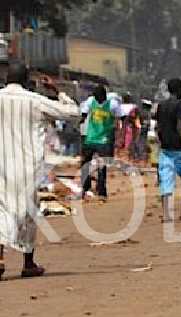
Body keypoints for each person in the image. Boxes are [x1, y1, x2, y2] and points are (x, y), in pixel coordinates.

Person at [0, 62, 79, 280]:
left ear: (6, 79)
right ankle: (28, 263)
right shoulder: (35, 100)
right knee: (28, 211)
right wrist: (58, 91)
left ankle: (1, 256)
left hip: (1, 164)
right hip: (27, 167)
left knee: (2, 209)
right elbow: (73, 113)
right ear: (26, 81)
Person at [154, 79, 181, 222]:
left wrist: (161, 141)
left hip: (165, 148)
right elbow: (180, 126)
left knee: (166, 181)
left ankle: (166, 214)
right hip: (178, 148)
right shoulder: (179, 104)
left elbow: (158, 127)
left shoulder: (161, 105)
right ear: (180, 90)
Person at [80, 85, 122, 201]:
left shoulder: (113, 104)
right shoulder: (90, 101)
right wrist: (80, 123)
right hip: (90, 138)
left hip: (104, 139)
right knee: (85, 164)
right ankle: (85, 188)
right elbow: (83, 115)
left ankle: (102, 191)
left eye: (100, 99)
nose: (99, 102)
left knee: (102, 166)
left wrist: (118, 135)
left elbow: (120, 119)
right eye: (97, 99)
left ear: (104, 96)